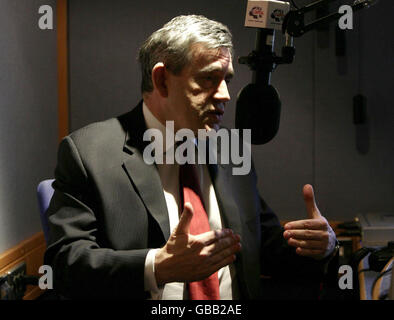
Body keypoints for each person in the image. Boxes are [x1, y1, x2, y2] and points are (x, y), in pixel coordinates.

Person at [44, 15, 338, 300]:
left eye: (227, 80)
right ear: (161, 80)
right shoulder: (88, 153)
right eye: (209, 78)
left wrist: (320, 245)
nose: (224, 94)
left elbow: (266, 248)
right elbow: (66, 264)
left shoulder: (230, 150)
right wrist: (157, 267)